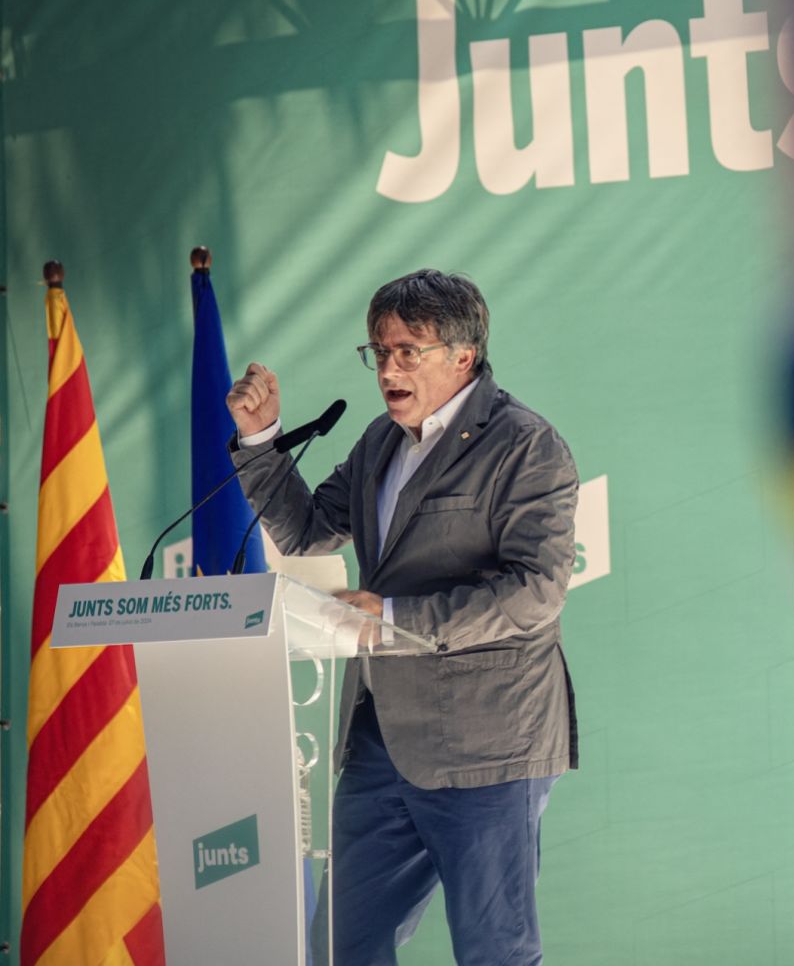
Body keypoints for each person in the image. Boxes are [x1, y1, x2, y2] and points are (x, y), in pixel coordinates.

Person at [225, 269, 579, 965]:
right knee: (346, 948)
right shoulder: (379, 443)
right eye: (378, 351)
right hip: (382, 742)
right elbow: (305, 530)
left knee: (494, 951)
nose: (387, 367)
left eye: (407, 351)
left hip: (488, 747)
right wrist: (262, 440)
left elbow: (536, 590)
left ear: (463, 356)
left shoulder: (525, 447)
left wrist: (392, 617)